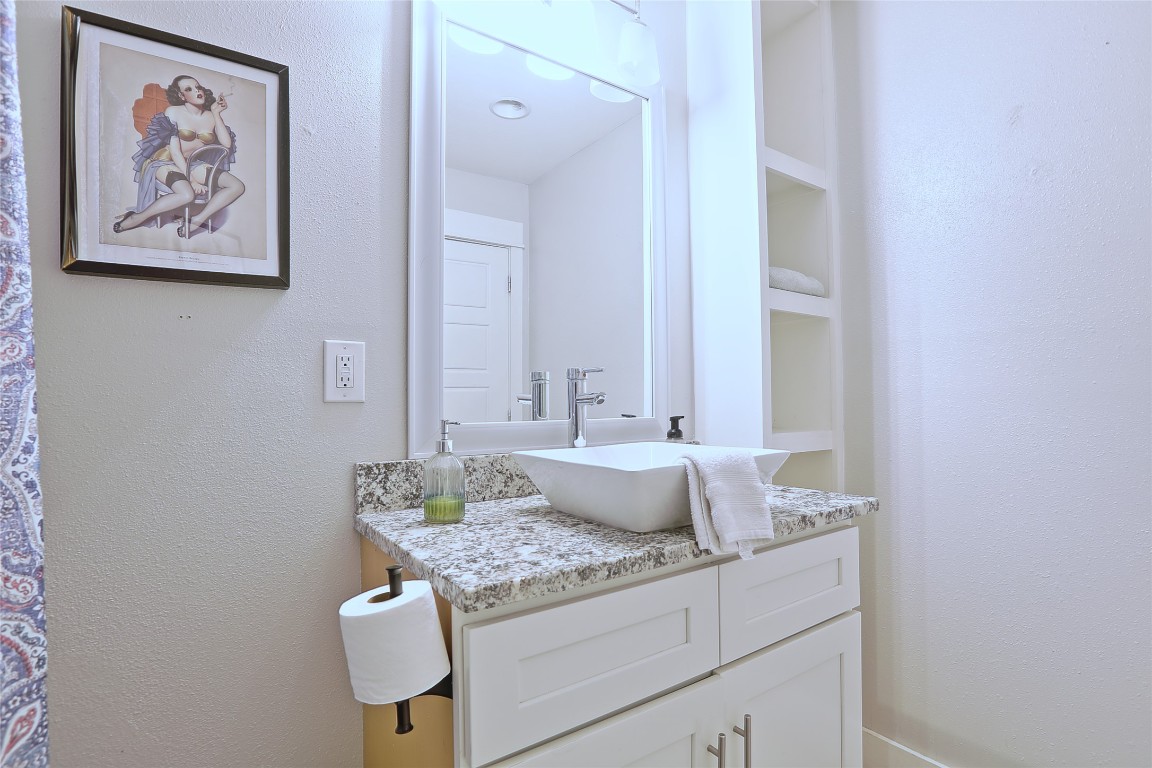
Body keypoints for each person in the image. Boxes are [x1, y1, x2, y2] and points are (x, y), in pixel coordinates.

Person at [113, 75, 245, 237]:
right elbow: (175, 152)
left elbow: (226, 144)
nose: (197, 91)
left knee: (237, 186)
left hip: (192, 163)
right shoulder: (173, 112)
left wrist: (217, 113)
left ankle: (198, 220)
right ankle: (138, 217)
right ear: (182, 96)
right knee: (187, 194)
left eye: (198, 87)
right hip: (165, 161)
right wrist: (193, 181)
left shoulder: (211, 116)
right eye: (189, 89)